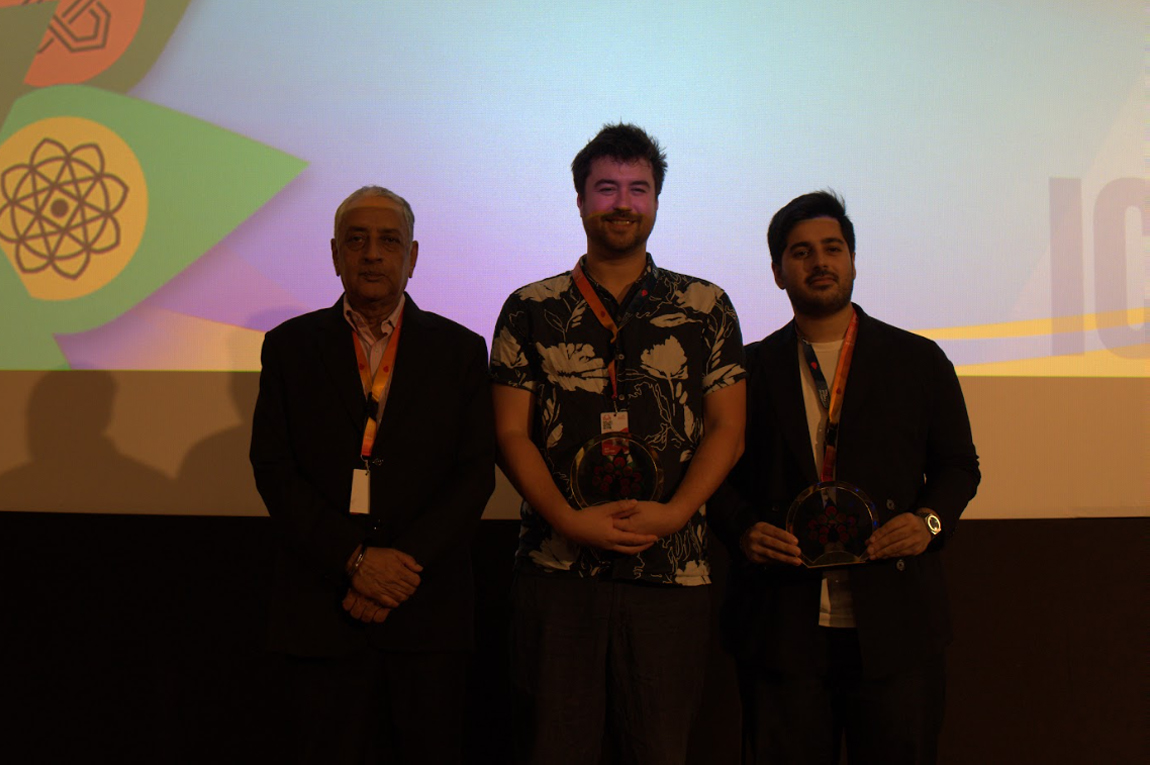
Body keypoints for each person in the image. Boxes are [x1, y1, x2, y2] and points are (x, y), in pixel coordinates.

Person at [490, 123, 747, 765]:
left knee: (659, 751)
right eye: (606, 188)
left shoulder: (705, 306)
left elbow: (728, 428)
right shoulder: (529, 308)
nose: (623, 203)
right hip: (556, 568)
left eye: (638, 188)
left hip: (671, 569)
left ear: (657, 200)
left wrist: (676, 513)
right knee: (554, 749)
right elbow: (510, 432)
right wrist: (566, 519)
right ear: (580, 199)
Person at [712, 190, 980, 764]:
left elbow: (959, 466)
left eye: (832, 248)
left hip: (897, 628)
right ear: (778, 273)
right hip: (780, 628)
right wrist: (742, 530)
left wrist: (929, 523)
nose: (820, 262)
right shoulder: (747, 369)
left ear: (853, 261)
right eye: (801, 252)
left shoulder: (918, 360)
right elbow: (714, 473)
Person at [250, 186, 495, 764]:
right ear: (335, 254)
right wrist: (355, 561)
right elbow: (274, 470)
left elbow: (474, 475)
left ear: (413, 256)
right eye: (356, 240)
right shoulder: (289, 347)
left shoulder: (460, 350)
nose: (372, 254)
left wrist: (399, 570)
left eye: (389, 241)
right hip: (321, 611)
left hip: (426, 613)